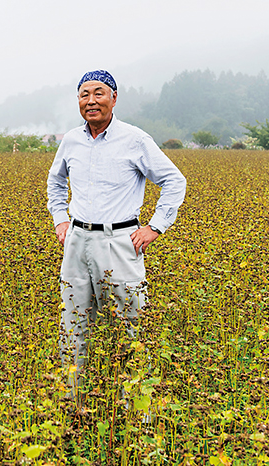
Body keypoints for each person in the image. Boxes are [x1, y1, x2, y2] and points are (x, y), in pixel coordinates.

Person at [46, 70, 186, 402]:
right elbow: (55, 182)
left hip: (120, 242)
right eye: (84, 95)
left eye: (99, 93)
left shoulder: (135, 139)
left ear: (114, 97)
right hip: (77, 241)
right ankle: (71, 405)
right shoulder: (71, 140)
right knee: (72, 325)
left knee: (131, 325)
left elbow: (174, 181)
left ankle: (137, 409)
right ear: (78, 100)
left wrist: (154, 227)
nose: (91, 101)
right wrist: (59, 220)